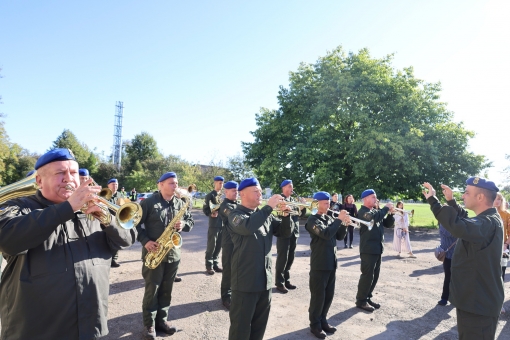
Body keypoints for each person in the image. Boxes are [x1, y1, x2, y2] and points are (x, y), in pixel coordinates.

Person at [0, 148, 136, 339]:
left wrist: (108, 220)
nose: (68, 178)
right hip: (37, 330)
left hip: (91, 327)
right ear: (39, 181)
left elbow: (128, 238)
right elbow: (7, 239)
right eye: (60, 173)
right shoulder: (16, 207)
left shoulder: (96, 206)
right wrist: (68, 208)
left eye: (73, 173)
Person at [422, 178, 504, 339]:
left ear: (480, 197)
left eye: (467, 192)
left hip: (478, 304)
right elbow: (467, 220)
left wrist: (433, 202)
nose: (463, 196)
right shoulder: (487, 219)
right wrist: (451, 202)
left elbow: (459, 226)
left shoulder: (487, 222)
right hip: (477, 301)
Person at [227, 177, 291, 340]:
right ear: (242, 194)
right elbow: (248, 227)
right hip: (245, 282)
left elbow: (285, 233)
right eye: (256, 191)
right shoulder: (235, 214)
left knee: (259, 328)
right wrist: (269, 207)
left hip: (265, 281)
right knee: (240, 330)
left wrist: (285, 216)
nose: (260, 194)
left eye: (261, 191)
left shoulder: (264, 215)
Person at [136, 171, 194, 340]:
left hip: (173, 253)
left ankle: (162, 320)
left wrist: (183, 224)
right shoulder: (148, 203)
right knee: (152, 289)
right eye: (171, 183)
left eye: (176, 183)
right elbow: (135, 224)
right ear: (160, 185)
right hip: (153, 252)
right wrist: (145, 241)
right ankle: (149, 324)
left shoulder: (180, 202)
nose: (175, 186)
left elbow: (191, 222)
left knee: (167, 289)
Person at [305, 191, 350, 339]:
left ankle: (323, 320)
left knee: (328, 296)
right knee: (318, 296)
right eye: (325, 202)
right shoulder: (312, 221)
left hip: (331, 263)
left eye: (329, 202)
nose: (328, 204)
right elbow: (325, 234)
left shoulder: (330, 218)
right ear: (316, 204)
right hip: (319, 264)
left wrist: (343, 224)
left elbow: (339, 236)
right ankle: (315, 325)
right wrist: (338, 220)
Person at [355, 189, 394, 312]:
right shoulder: (363, 212)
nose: (376, 199)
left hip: (377, 248)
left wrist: (391, 214)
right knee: (367, 276)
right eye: (373, 197)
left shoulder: (375, 211)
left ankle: (367, 297)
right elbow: (374, 218)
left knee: (374, 276)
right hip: (368, 249)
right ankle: (361, 300)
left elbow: (387, 224)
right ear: (365, 199)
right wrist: (386, 208)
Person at [275, 179, 304, 293]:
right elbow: (279, 213)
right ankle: (279, 282)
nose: (292, 189)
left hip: (294, 231)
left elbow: (299, 214)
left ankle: (286, 280)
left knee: (290, 258)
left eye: (292, 186)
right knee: (283, 258)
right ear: (284, 188)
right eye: (290, 187)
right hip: (284, 232)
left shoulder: (293, 200)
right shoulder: (280, 199)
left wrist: (302, 206)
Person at [216, 180, 238, 309]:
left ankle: (234, 292)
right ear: (226, 192)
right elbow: (236, 219)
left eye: (237, 190)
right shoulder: (225, 206)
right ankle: (226, 296)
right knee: (228, 269)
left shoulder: (236, 204)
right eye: (233, 191)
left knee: (237, 268)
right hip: (229, 241)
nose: (236, 193)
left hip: (238, 241)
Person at [204, 175, 224, 274]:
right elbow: (205, 209)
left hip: (222, 223)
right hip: (214, 223)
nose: (221, 184)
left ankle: (215, 264)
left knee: (219, 245)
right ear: (215, 183)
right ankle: (209, 265)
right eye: (219, 183)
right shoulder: (210, 195)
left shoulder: (223, 195)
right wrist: (211, 213)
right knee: (212, 245)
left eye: (222, 183)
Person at [437, 223, 457, 306]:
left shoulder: (455, 223)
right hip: (448, 255)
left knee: (458, 278)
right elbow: (450, 233)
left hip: (458, 255)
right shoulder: (444, 224)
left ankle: (456, 298)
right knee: (448, 277)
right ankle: (444, 298)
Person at [107, 178, 122, 267]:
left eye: (116, 184)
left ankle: (114, 259)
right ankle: (107, 259)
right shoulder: (105, 194)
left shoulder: (120, 195)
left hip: (118, 220)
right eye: (113, 184)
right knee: (107, 241)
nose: (115, 186)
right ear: (108, 185)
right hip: (108, 220)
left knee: (117, 241)